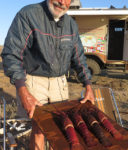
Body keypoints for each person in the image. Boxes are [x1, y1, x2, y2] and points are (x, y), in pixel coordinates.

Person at [1, 0, 95, 149]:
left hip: (60, 83)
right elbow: (11, 54)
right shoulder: (28, 14)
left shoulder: (71, 24)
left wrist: (88, 84)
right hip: (34, 81)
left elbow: (79, 58)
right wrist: (22, 91)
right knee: (39, 130)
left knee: (60, 128)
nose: (62, 2)